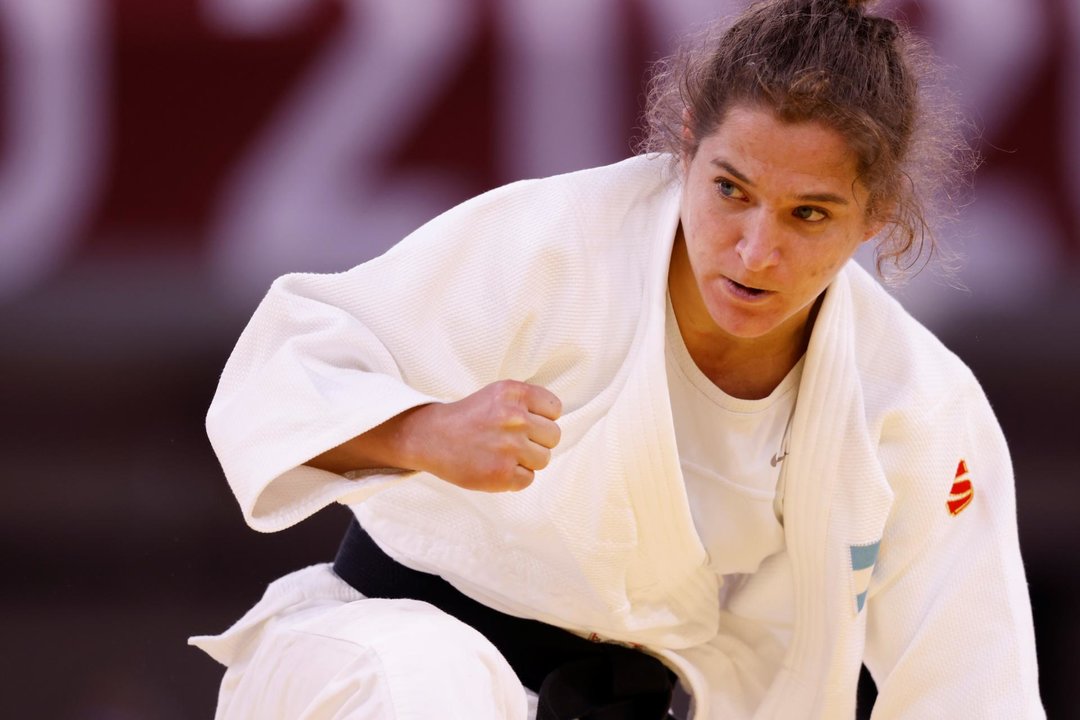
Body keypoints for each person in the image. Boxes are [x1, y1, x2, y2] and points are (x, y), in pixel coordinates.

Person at [190, 0, 1045, 717]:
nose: (753, 252)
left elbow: (974, 683)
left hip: (617, 700)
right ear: (685, 147)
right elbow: (283, 360)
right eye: (730, 191)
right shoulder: (556, 248)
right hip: (368, 663)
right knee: (431, 687)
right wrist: (422, 432)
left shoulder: (908, 404)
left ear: (877, 216)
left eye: (808, 215)